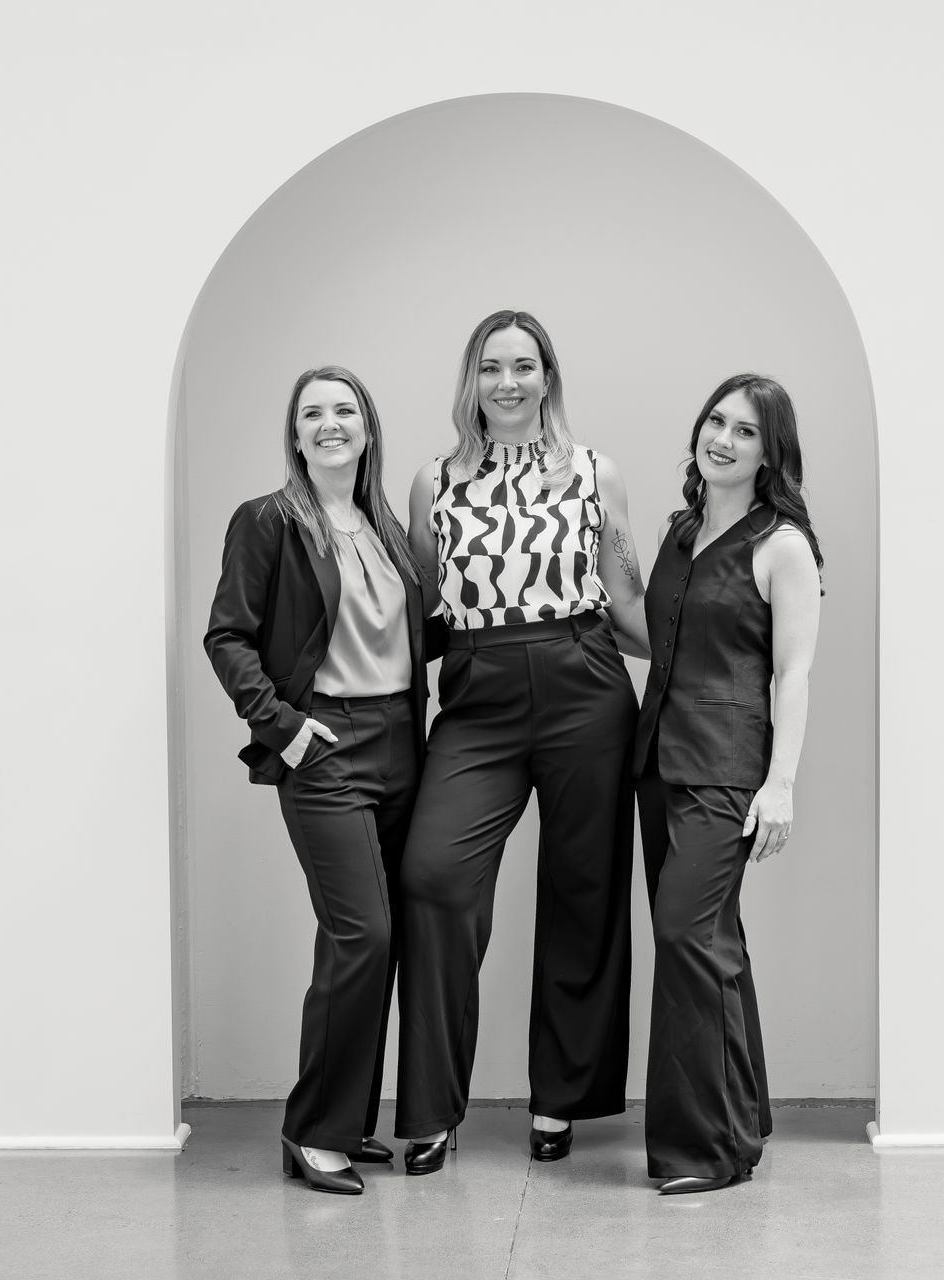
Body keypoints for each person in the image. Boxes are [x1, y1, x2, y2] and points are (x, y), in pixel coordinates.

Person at [395, 310, 650, 1174]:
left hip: (585, 677)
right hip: (477, 691)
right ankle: (429, 1109)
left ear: (549, 377)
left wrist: (727, 628)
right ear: (472, 379)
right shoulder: (433, 482)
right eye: (492, 367)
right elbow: (420, 610)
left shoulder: (594, 473)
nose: (508, 382)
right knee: (433, 876)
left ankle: (560, 1099)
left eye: (525, 366)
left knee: (584, 893)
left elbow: (630, 606)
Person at [203, 366, 431, 1196]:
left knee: (388, 939)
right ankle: (311, 1132)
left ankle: (349, 1120)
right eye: (313, 414)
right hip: (326, 743)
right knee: (358, 935)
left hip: (404, 744)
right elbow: (227, 636)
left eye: (345, 411)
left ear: (368, 428)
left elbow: (411, 636)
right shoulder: (269, 521)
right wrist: (286, 729)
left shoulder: (387, 528)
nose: (330, 424)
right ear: (296, 436)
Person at [632, 373, 823, 1195]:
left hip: (728, 770)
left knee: (684, 938)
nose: (724, 439)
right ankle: (746, 1112)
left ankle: (703, 1150)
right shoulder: (681, 532)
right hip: (657, 762)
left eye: (746, 431)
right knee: (714, 945)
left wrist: (781, 783)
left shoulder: (781, 544)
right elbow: (654, 636)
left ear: (769, 452)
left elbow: (795, 672)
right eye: (717, 421)